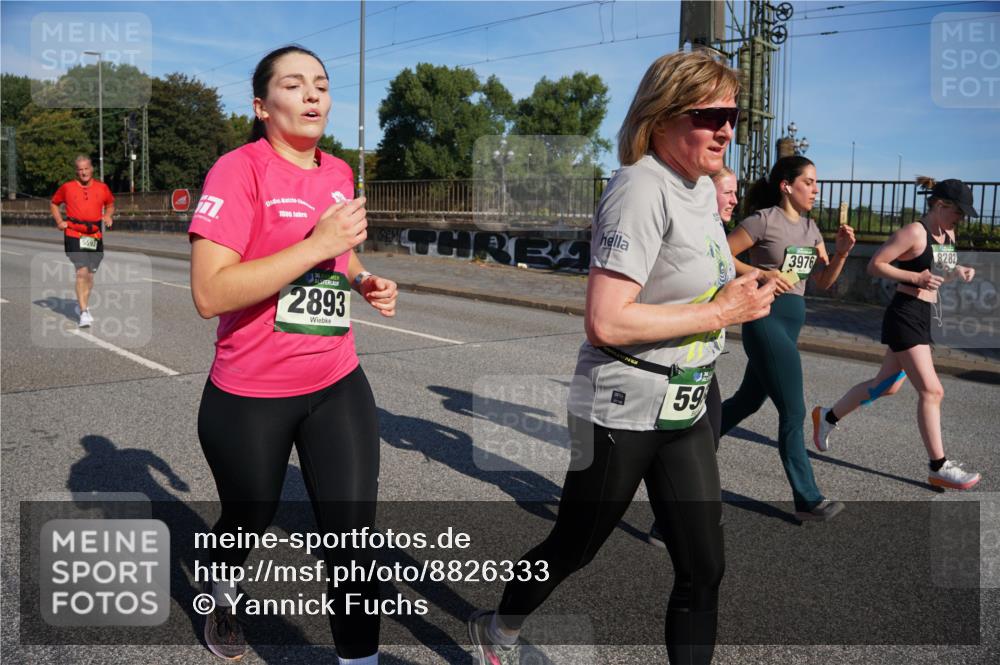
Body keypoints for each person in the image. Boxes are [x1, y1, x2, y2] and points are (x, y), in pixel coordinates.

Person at [468, 50, 776, 665]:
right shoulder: (639, 187)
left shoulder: (700, 190)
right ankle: (498, 629)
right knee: (576, 544)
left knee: (703, 568)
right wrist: (720, 314)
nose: (725, 128)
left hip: (684, 404)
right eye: (709, 113)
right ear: (661, 116)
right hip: (622, 403)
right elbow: (607, 319)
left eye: (732, 116)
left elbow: (687, 282)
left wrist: (739, 289)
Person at [188, 45, 397, 664]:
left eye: (322, 85)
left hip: (336, 380)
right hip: (250, 394)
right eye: (294, 84)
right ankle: (223, 586)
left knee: (354, 541)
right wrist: (317, 246)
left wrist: (362, 279)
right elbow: (209, 292)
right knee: (249, 515)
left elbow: (340, 253)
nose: (312, 95)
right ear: (262, 106)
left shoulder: (337, 173)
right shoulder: (238, 170)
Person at [812, 177, 981, 491]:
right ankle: (938, 466)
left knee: (885, 386)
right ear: (941, 205)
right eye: (959, 211)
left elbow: (944, 262)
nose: (961, 218)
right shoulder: (914, 232)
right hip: (905, 314)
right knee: (932, 391)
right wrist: (916, 276)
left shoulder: (946, 232)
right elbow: (876, 265)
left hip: (924, 316)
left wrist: (959, 272)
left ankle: (827, 417)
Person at [720, 155, 856, 522]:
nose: (816, 189)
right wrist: (761, 273)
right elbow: (719, 254)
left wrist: (841, 254)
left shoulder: (812, 229)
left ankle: (693, 439)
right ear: (786, 185)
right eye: (809, 182)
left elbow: (824, 284)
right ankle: (808, 498)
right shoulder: (763, 221)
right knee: (794, 412)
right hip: (764, 322)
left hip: (790, 325)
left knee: (747, 401)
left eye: (816, 183)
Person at [648, 164, 738, 548]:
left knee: (709, 436)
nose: (735, 199)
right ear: (705, 193)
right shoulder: (683, 229)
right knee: (654, 452)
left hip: (703, 360)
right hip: (671, 359)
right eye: (728, 192)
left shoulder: (717, 230)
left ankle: (672, 519)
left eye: (736, 192)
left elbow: (727, 271)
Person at [49, 155, 115, 327]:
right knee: (81, 272)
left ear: (92, 169)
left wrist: (107, 216)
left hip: (94, 235)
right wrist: (59, 221)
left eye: (86, 168)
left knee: (90, 276)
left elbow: (110, 204)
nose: (83, 172)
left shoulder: (102, 188)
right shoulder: (67, 187)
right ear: (76, 171)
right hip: (73, 233)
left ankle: (82, 305)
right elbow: (54, 203)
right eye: (80, 169)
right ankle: (84, 312)